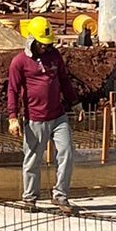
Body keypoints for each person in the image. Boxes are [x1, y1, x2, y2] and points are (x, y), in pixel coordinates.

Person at [8, 16, 79, 213]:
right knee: (32, 160)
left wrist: (76, 103)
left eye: (48, 44)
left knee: (67, 152)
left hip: (58, 116)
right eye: (42, 44)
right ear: (31, 40)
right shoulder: (19, 62)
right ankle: (30, 198)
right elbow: (12, 90)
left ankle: (60, 196)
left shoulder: (54, 56)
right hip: (35, 120)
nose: (46, 48)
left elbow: (64, 80)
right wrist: (13, 117)